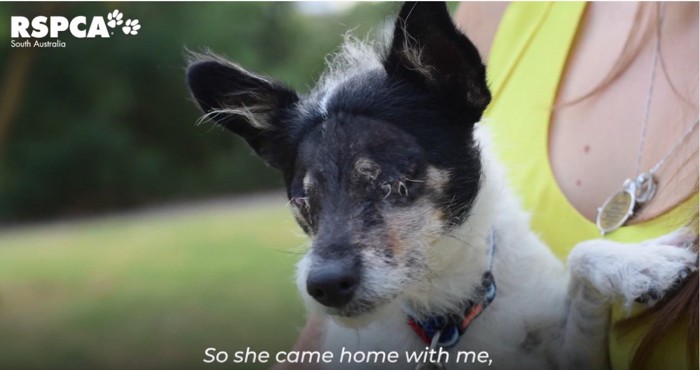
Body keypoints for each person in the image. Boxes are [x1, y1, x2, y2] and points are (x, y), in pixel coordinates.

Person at [275, 3, 699, 370]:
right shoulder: (505, 8)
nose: (324, 275)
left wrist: (591, 274)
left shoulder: (520, 273)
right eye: (309, 203)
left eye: (392, 182)